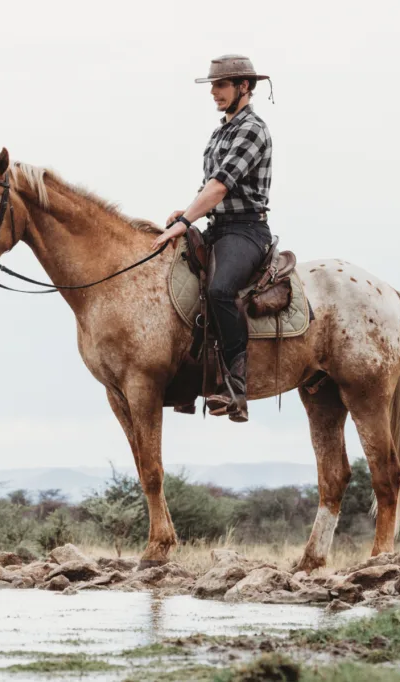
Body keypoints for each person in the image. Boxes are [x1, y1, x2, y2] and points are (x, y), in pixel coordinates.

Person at [152, 55, 273, 423]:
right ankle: (190, 378)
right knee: (177, 281)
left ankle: (236, 387)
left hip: (246, 230)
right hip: (217, 228)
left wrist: (187, 218)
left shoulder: (252, 128)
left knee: (220, 290)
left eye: (221, 86)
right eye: (213, 87)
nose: (214, 93)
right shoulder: (221, 130)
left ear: (244, 87)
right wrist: (185, 213)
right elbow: (209, 186)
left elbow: (220, 187)